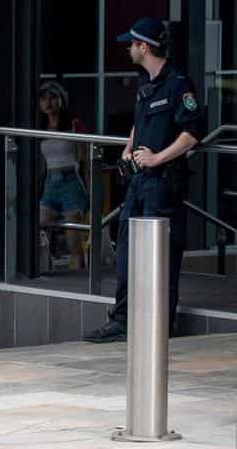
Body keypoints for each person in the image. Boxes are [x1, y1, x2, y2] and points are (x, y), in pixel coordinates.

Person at [86, 18, 202, 343]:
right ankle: (122, 319)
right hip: (139, 183)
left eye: (131, 44)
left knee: (162, 255)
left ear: (144, 47)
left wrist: (157, 157)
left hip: (163, 184)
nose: (128, 48)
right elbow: (139, 123)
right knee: (124, 249)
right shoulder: (145, 84)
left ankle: (161, 323)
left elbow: (193, 132)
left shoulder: (179, 84)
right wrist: (128, 149)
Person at [36, 80, 91, 270]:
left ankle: (80, 283)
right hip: (50, 182)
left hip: (71, 181)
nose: (48, 102)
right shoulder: (39, 128)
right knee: (39, 223)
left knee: (73, 241)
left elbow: (85, 161)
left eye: (53, 97)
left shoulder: (74, 125)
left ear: (61, 100)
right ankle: (45, 266)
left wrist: (91, 191)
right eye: (43, 99)